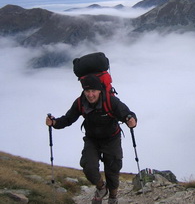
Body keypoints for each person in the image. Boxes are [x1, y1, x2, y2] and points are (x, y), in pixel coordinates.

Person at [46, 74, 137, 204]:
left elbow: (127, 113)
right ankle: (101, 188)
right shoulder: (80, 102)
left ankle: (113, 197)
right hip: (92, 139)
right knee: (88, 166)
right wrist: (54, 123)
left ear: (100, 90)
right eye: (87, 91)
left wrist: (131, 120)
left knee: (113, 169)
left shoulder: (110, 101)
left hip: (112, 138)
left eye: (93, 91)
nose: (90, 95)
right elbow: (68, 119)